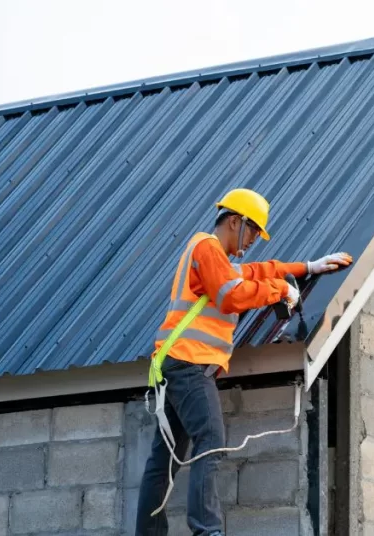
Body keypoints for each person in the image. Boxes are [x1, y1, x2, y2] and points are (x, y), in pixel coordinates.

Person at [135, 188, 352, 536]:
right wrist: (281, 291)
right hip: (189, 366)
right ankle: (207, 531)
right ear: (235, 221)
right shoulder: (206, 247)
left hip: (176, 365)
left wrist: (307, 267)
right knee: (211, 440)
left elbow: (257, 271)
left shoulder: (217, 258)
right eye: (252, 231)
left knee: (162, 462)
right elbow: (231, 295)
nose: (253, 240)